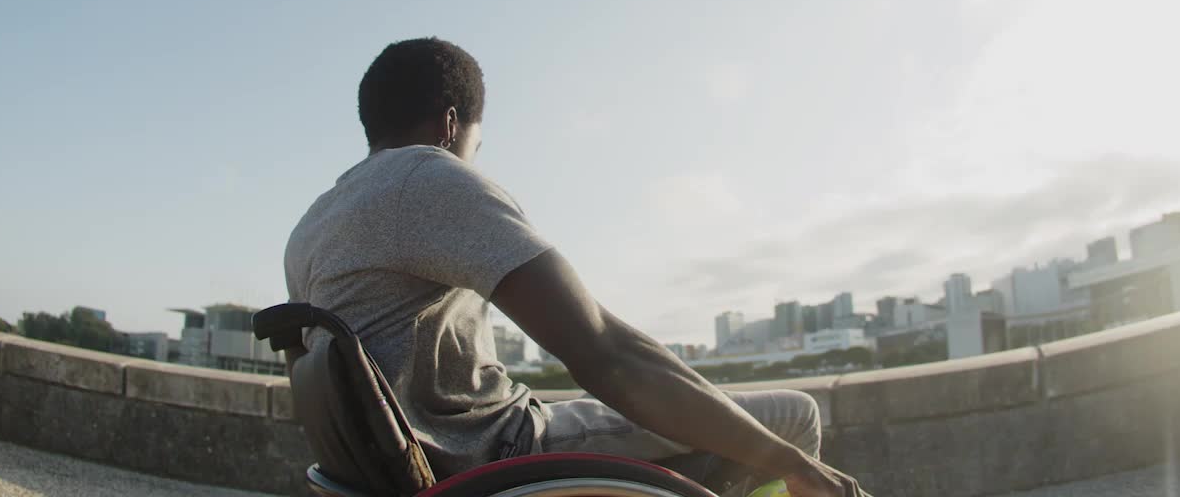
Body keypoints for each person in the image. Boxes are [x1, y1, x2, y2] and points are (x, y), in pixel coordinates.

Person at [284, 37, 870, 497]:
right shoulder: (431, 178)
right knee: (792, 417)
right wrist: (790, 463)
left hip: (421, 462)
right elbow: (604, 354)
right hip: (497, 455)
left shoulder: (313, 223)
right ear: (451, 124)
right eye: (476, 144)